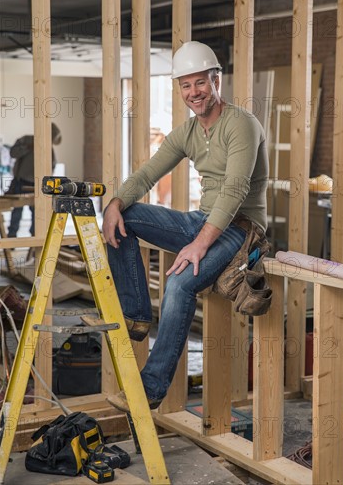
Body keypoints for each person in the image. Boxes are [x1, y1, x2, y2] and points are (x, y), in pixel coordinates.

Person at [103, 41, 269, 411]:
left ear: (216, 80)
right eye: (185, 85)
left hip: (240, 227)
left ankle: (152, 387)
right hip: (203, 220)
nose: (193, 93)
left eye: (200, 83)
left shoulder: (241, 124)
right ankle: (136, 314)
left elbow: (235, 189)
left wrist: (199, 245)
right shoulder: (189, 132)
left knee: (179, 282)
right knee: (123, 218)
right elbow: (147, 173)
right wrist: (114, 203)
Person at [6, 123, 62, 237]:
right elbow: (13, 153)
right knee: (17, 211)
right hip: (21, 182)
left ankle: (35, 240)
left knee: (37, 213)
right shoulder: (26, 140)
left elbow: (51, 167)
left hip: (37, 185)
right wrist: (28, 147)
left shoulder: (49, 149)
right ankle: (11, 238)